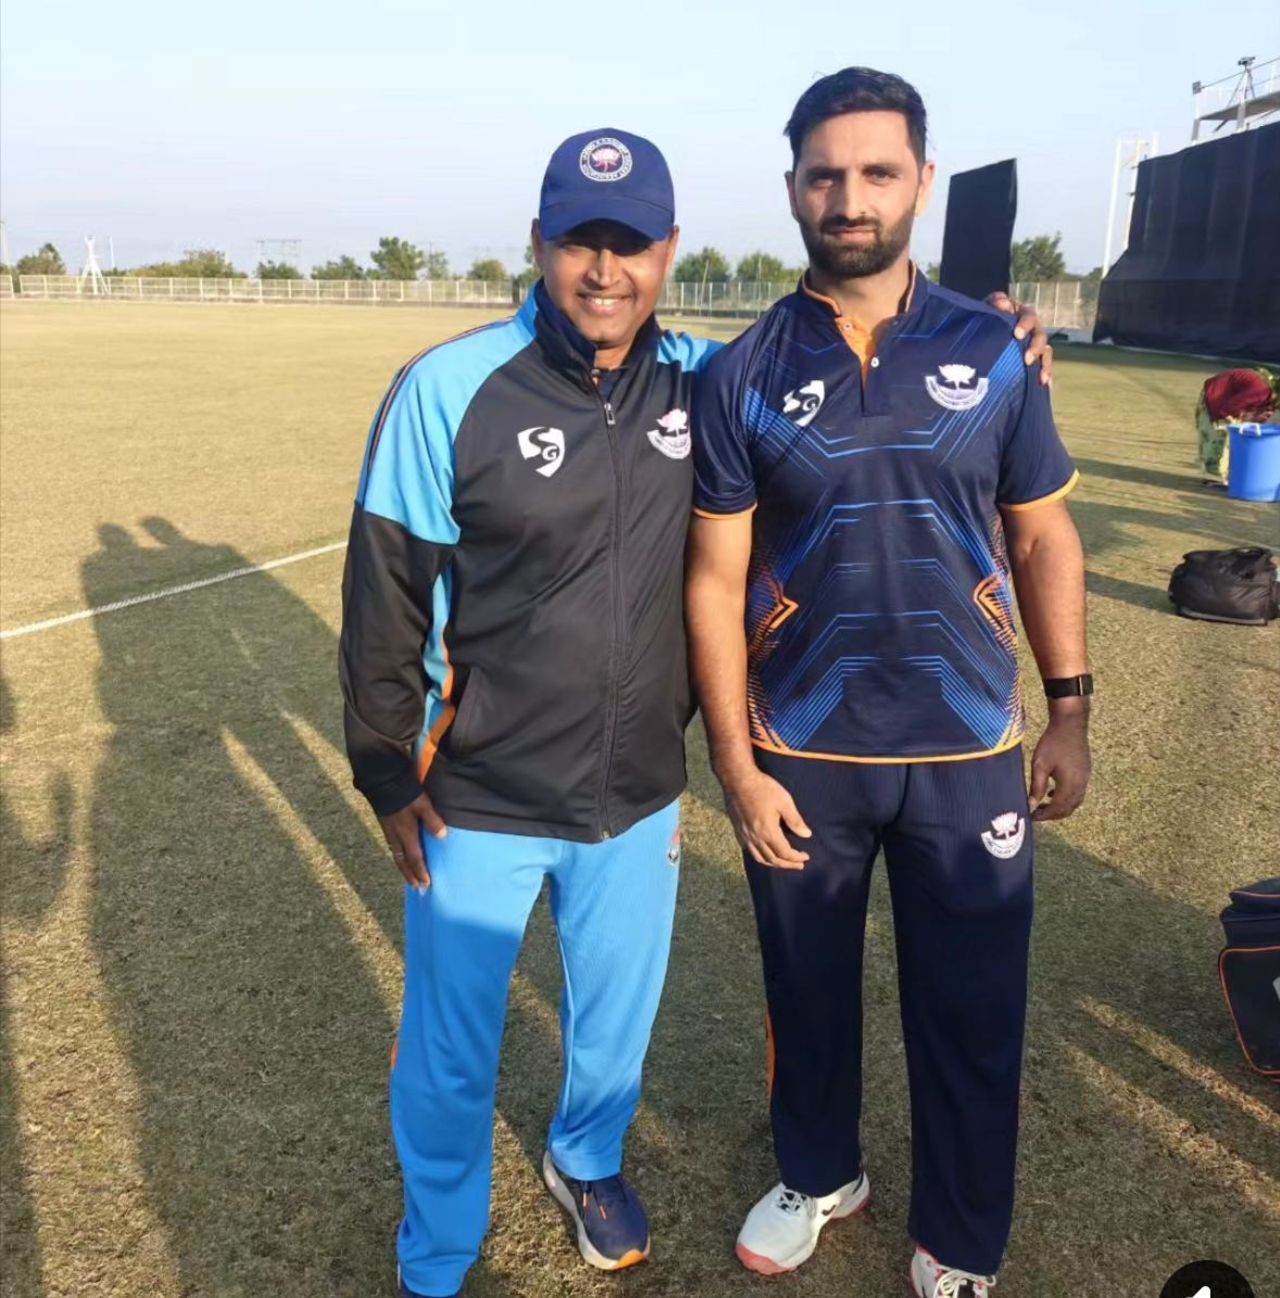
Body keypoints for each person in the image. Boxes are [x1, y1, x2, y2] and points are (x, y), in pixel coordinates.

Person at [340, 122, 1053, 1298]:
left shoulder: (706, 379)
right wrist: (386, 770)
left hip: (636, 792)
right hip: (477, 791)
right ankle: (436, 1253)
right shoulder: (445, 389)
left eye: (630, 244)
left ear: (670, 249)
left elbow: (837, 379)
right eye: (579, 241)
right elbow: (383, 593)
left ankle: (586, 1158)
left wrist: (1002, 335)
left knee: (613, 1032)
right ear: (540, 241)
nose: (603, 269)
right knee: (452, 1052)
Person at [685, 68, 1091, 1298]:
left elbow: (1040, 537)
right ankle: (821, 1171)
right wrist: (736, 763)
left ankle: (958, 1237)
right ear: (793, 188)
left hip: (969, 748)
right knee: (803, 992)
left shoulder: (993, 344)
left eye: (873, 171)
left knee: (969, 1010)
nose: (847, 196)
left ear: (918, 179)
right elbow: (712, 578)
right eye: (823, 174)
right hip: (804, 747)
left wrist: (1067, 703)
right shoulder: (741, 370)